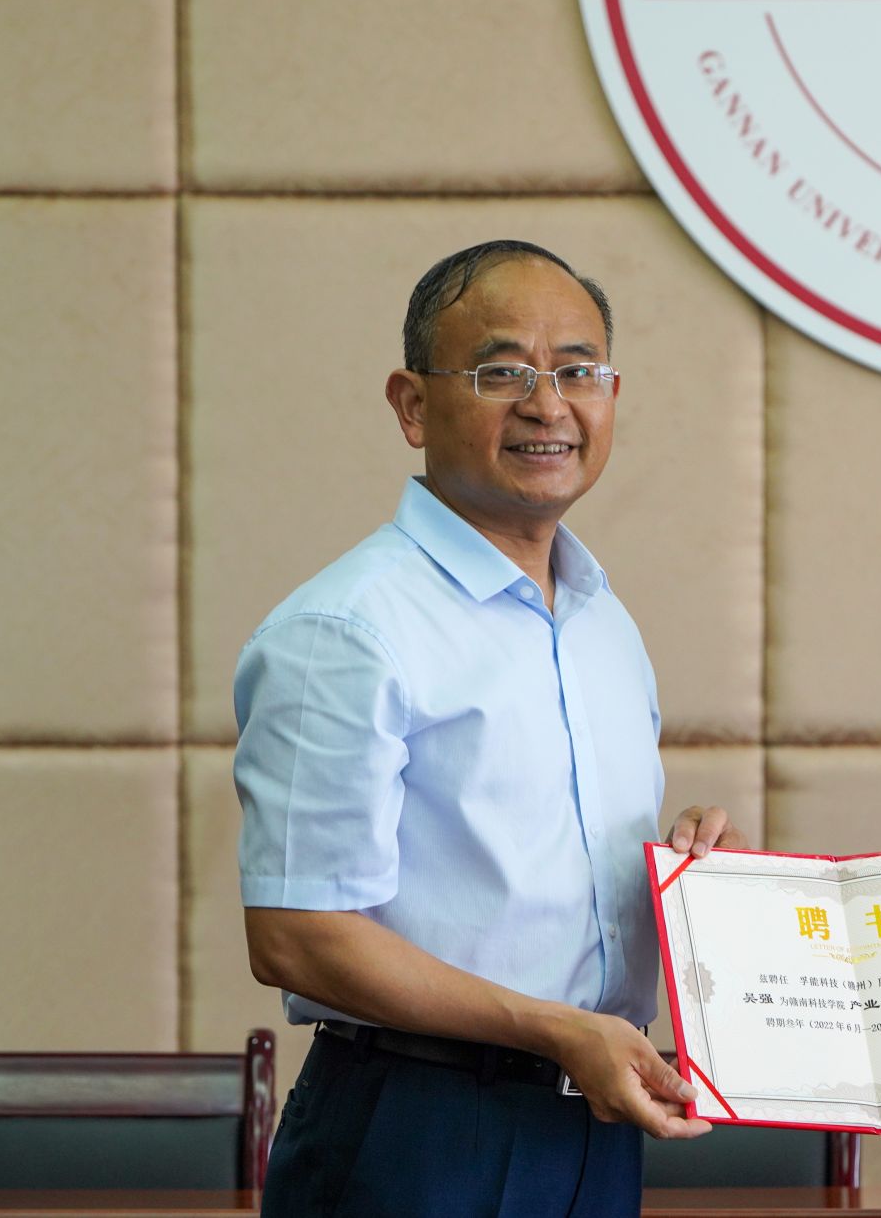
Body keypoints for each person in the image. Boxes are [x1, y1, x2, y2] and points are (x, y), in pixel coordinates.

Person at [235, 240, 744, 1217]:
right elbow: (296, 935)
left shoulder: (600, 620)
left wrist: (693, 875)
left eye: (578, 371)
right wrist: (552, 1029)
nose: (548, 406)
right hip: (421, 1131)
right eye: (502, 371)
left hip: (597, 1119)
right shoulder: (347, 629)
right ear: (412, 405)